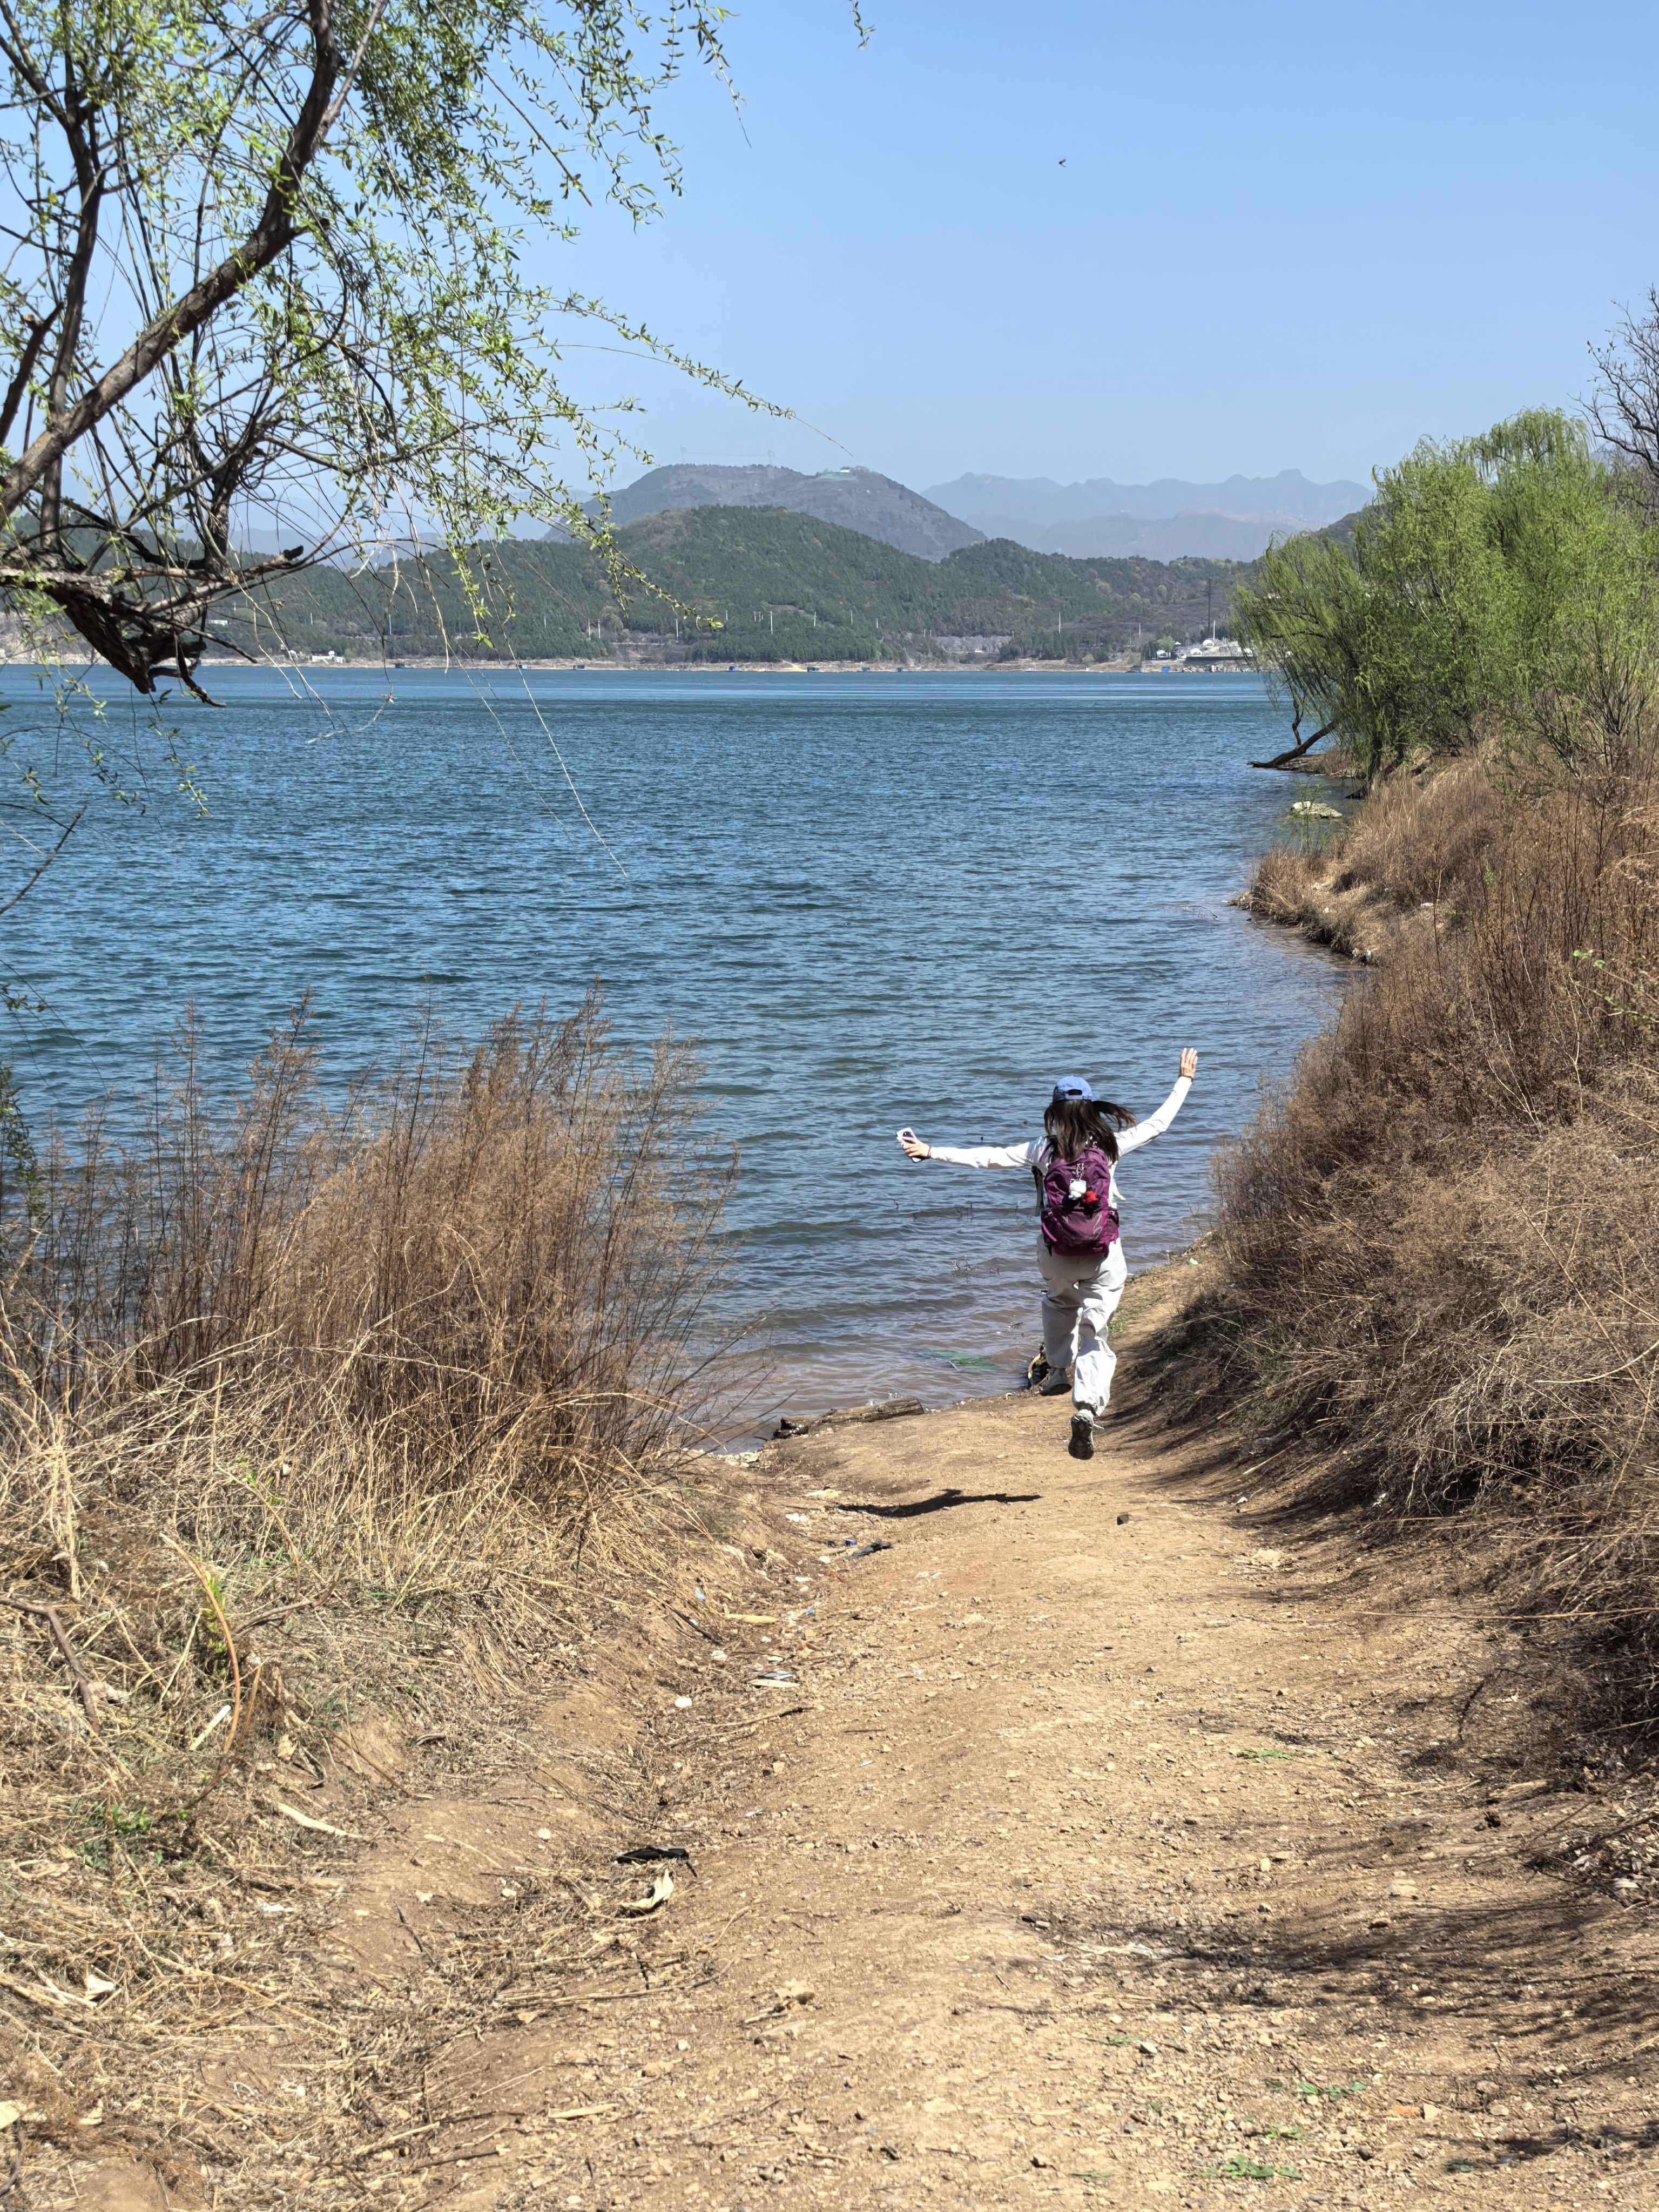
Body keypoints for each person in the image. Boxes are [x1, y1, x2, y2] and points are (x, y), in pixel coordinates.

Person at [897, 1049, 1198, 1460]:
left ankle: (1057, 1370)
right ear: (1091, 1109)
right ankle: (1087, 1407)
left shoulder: (1043, 1150)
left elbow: (988, 1158)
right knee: (1096, 1331)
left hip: (1055, 1252)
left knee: (1059, 1302)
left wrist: (931, 1150)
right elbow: (1158, 1125)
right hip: (1102, 1251)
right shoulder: (1111, 1146)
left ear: (1055, 1112)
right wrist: (1184, 1080)